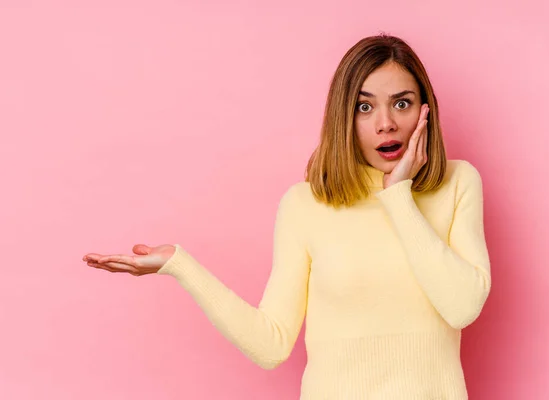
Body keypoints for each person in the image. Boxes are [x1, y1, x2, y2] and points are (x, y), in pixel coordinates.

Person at [83, 34, 491, 399]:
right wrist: (179, 265)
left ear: (425, 111)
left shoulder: (458, 184)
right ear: (342, 118)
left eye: (401, 103)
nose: (386, 124)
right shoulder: (305, 205)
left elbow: (461, 308)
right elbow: (271, 344)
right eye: (364, 107)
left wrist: (398, 196)